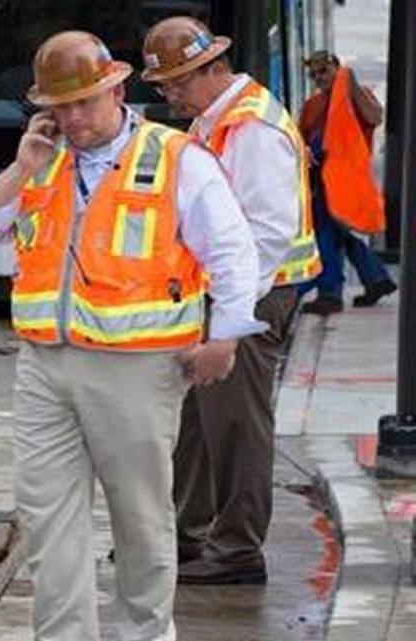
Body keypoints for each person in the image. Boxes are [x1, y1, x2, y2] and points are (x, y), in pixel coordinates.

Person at [0, 31, 264, 640]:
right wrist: (22, 167)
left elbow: (234, 253)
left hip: (138, 369)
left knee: (141, 522)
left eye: (84, 104)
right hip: (46, 365)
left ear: (116, 90)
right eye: (59, 107)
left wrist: (224, 338)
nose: (72, 119)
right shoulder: (44, 161)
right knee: (49, 521)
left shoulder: (177, 159)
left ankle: (144, 635)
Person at [141, 16, 320, 585]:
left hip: (252, 301)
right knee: (197, 420)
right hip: (223, 298)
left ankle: (238, 548)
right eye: (164, 86)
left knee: (236, 425)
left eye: (178, 84)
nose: (170, 96)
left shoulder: (252, 129)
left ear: (214, 69)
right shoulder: (216, 121)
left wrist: (230, 317)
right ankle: (185, 535)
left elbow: (266, 233)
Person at [298, 50, 395, 315]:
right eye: (314, 75)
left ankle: (331, 293)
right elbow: (300, 140)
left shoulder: (357, 95)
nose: (319, 79)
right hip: (323, 180)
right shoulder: (313, 106)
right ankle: (376, 279)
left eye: (324, 72)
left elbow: (375, 117)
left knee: (329, 234)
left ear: (337, 70)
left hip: (346, 179)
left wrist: (348, 82)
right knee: (341, 232)